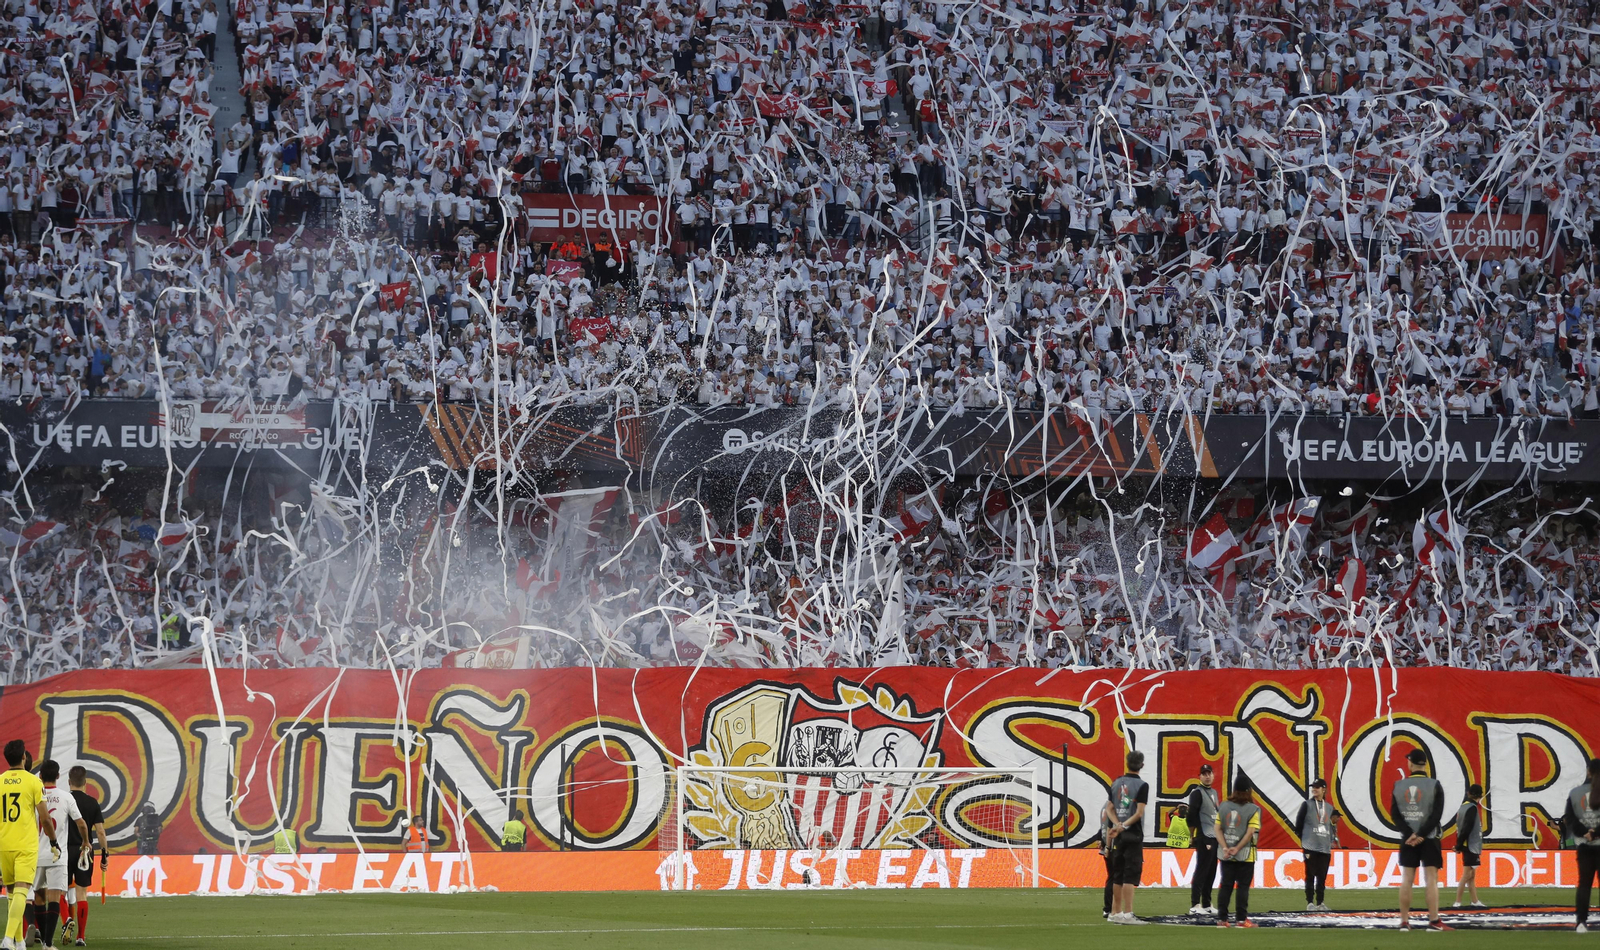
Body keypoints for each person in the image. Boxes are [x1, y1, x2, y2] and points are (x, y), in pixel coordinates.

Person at [0, 740, 55, 950]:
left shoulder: (0, 781)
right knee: (23, 890)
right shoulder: (34, 782)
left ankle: (19, 941)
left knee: (12, 893)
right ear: (24, 756)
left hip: (5, 844)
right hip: (25, 844)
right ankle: (7, 939)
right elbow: (45, 818)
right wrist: (53, 841)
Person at [1393, 748, 1453, 931]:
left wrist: (1409, 834)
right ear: (1425, 764)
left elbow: (1395, 815)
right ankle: (1434, 921)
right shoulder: (1435, 785)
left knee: (1407, 879)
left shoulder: (1398, 785)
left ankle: (1404, 922)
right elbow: (1436, 815)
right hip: (1429, 838)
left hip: (1408, 839)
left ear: (1410, 763)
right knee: (1431, 879)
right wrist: (1421, 834)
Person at [30, 761, 86, 950]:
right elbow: (81, 824)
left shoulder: (34, 796)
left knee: (38, 897)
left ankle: (35, 934)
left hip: (36, 854)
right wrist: (86, 841)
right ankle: (48, 943)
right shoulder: (66, 797)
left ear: (40, 776)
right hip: (57, 855)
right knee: (55, 897)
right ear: (58, 776)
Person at [1102, 750, 1148, 925]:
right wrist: (1123, 827)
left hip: (1118, 836)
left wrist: (1116, 824)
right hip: (1132, 833)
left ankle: (1115, 911)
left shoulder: (1116, 783)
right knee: (1130, 874)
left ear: (1127, 763)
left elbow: (1109, 808)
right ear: (1141, 765)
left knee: (1118, 874)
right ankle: (1128, 913)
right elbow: (1139, 813)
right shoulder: (1142, 785)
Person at [63, 766, 106, 948]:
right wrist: (104, 856)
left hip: (65, 850)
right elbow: (101, 833)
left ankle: (66, 921)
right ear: (85, 782)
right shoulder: (92, 803)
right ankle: (81, 937)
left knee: (59, 891)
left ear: (69, 782)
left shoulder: (64, 800)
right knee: (82, 893)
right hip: (85, 851)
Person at [1214, 775, 1260, 928]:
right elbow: (1250, 832)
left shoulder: (1224, 806)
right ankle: (1241, 920)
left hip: (1226, 854)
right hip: (1245, 855)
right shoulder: (1253, 809)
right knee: (1243, 887)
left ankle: (1222, 919)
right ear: (1249, 791)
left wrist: (1226, 847)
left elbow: (1217, 829)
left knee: (1226, 885)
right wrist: (1237, 848)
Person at [1564, 757, 1600, 933]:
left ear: (1588, 772)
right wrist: (1596, 832)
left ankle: (1581, 922)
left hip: (1585, 845)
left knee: (1584, 884)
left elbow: (1569, 819)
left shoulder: (1575, 793)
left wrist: (1585, 832)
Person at [1294, 778, 1338, 911]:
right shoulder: (1306, 805)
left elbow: (1331, 826)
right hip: (1310, 847)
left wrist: (1331, 840)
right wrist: (1305, 839)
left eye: (1317, 787)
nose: (1314, 789)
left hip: (1324, 847)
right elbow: (1299, 824)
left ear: (1323, 789)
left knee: (1322, 876)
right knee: (1310, 874)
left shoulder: (1329, 808)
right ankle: (1310, 902)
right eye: (1313, 787)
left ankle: (1320, 902)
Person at [1186, 764, 1220, 915]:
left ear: (1213, 775)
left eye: (1209, 773)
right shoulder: (1196, 793)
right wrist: (1193, 835)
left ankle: (1206, 902)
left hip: (1214, 836)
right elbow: (1191, 815)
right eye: (1204, 774)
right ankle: (1195, 904)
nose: (1207, 776)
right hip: (1204, 835)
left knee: (1211, 870)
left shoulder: (1214, 792)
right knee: (1202, 869)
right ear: (1199, 776)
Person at [1453, 784, 1486, 910]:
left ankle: (1475, 901)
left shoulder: (1463, 807)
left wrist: (1459, 843)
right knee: (1467, 875)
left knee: (1471, 876)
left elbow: (1461, 827)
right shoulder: (1472, 808)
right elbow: (1467, 828)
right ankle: (1457, 901)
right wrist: (1459, 845)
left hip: (1466, 844)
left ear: (1468, 793)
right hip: (1470, 845)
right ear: (1480, 795)